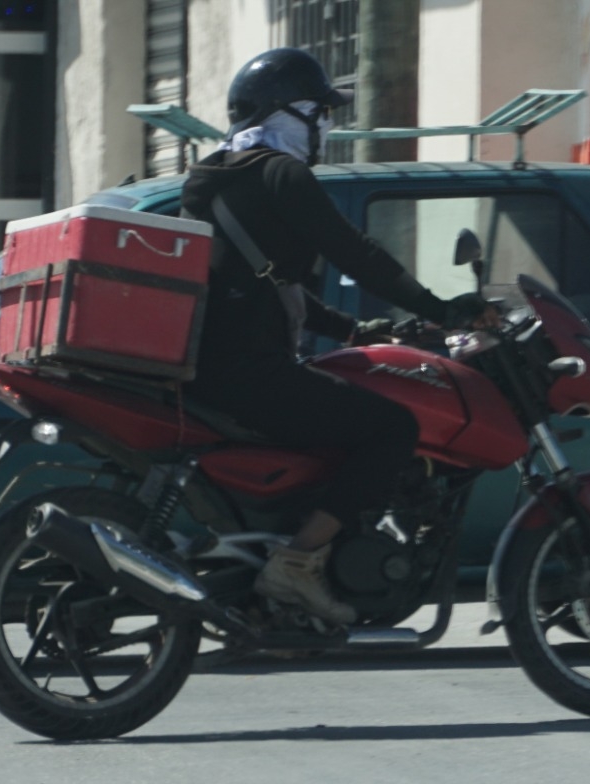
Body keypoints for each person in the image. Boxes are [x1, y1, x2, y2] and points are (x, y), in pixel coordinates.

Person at [180, 48, 492, 625]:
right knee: (392, 427)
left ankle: (283, 571)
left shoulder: (209, 175)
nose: (326, 126)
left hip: (209, 368)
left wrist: (351, 328)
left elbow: (266, 281)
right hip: (252, 376)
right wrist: (441, 309)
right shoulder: (282, 173)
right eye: (321, 112)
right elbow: (356, 253)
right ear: (293, 113)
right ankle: (297, 562)